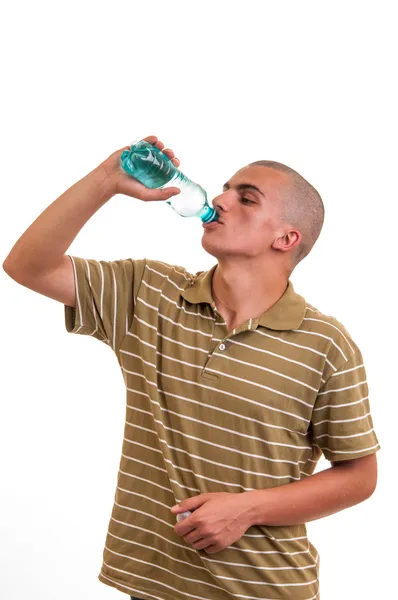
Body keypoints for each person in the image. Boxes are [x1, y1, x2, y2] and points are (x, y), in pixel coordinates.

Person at [3, 134, 380, 600]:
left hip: (263, 589)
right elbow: (27, 266)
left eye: (246, 198)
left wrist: (247, 509)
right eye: (224, 189)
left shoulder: (325, 344)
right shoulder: (151, 292)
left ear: (286, 238)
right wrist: (106, 180)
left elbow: (360, 476)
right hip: (152, 585)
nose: (220, 200)